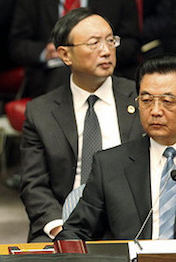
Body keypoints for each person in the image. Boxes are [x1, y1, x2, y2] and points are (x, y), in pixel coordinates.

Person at [20, 8, 145, 242]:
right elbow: (33, 184)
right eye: (94, 43)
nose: (106, 51)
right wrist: (62, 231)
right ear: (65, 55)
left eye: (110, 41)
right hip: (63, 223)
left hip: (130, 225)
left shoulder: (141, 99)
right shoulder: (41, 111)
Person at [57, 54, 176, 240]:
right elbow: (76, 231)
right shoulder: (110, 165)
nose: (155, 111)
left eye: (167, 101)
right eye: (146, 101)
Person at [9, 0, 139, 98]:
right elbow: (17, 45)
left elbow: (131, 42)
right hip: (48, 74)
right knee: (64, 74)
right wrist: (45, 52)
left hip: (111, 71)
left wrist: (98, 50)